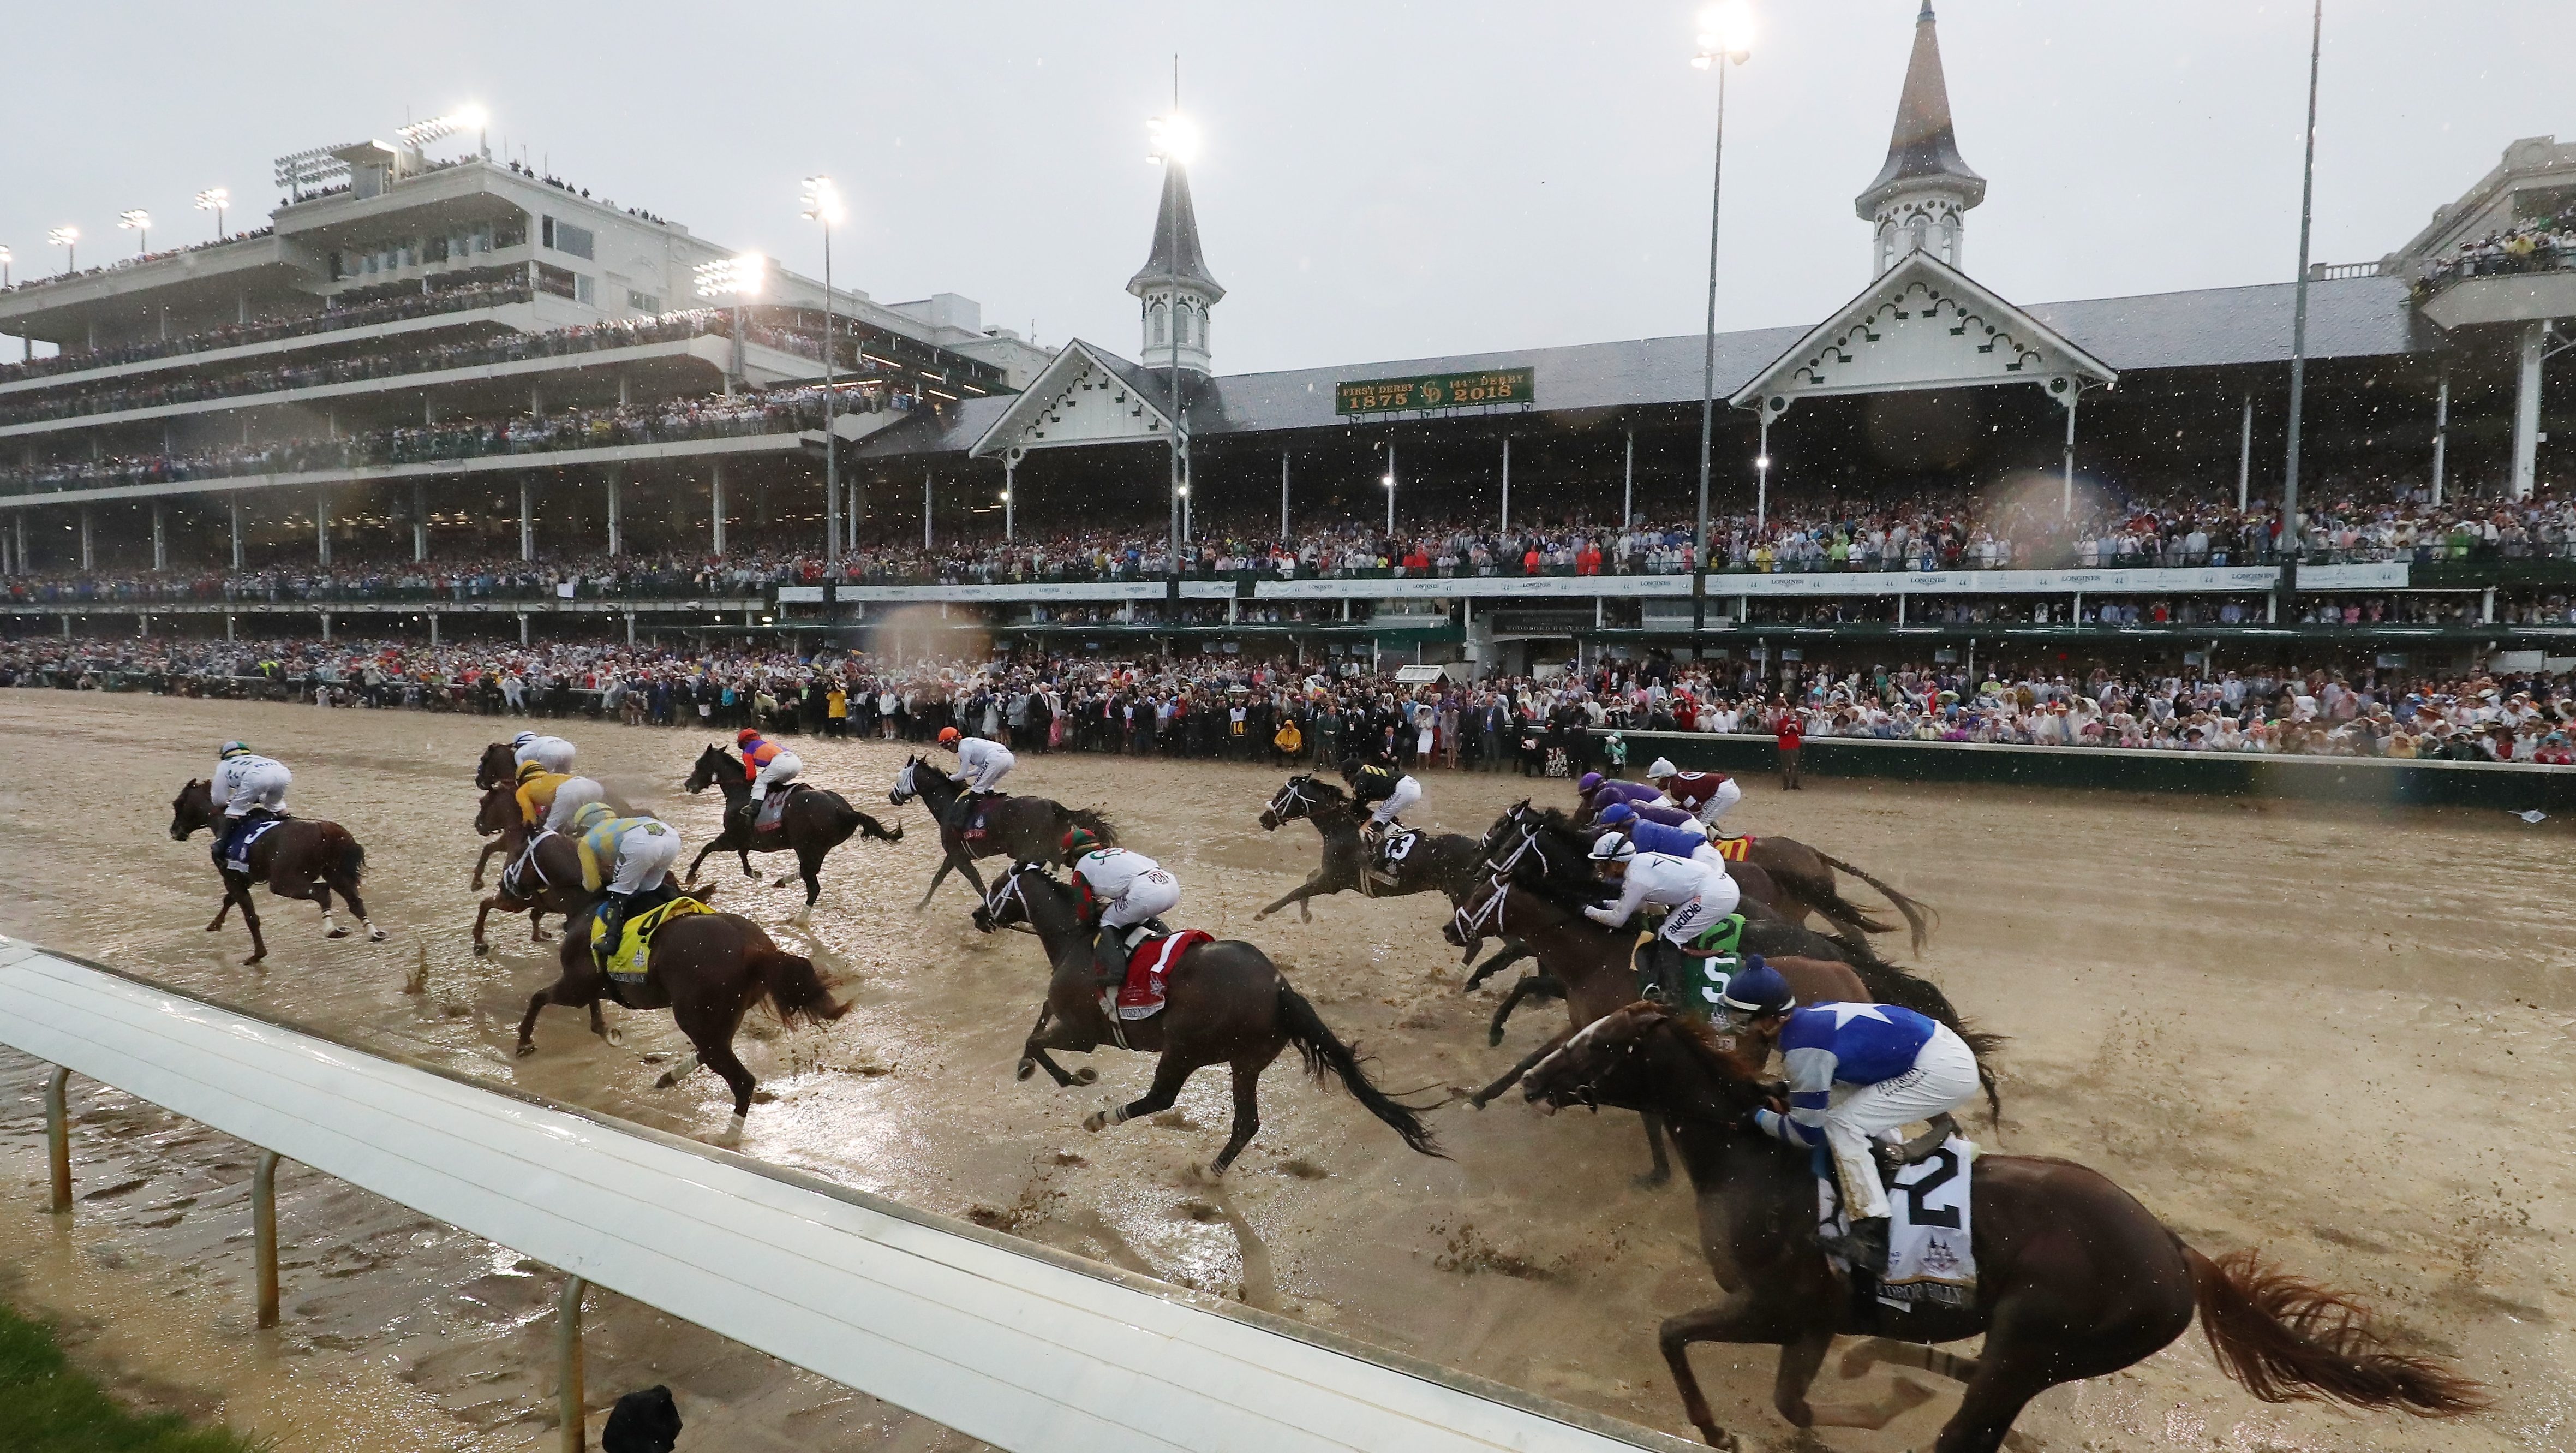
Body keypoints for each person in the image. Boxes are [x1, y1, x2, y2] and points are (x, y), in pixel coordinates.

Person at [1719, 960, 1981, 1275]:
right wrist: (1789, 1090)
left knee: (1841, 1125)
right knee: (1843, 1112)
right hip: (1939, 1050)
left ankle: (1872, 1236)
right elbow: (1830, 1078)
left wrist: (1759, 1119)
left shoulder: (1803, 1048)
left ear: (1771, 1022)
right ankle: (1884, 1161)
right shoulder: (1808, 1020)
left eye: (1742, 1020)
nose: (1739, 1028)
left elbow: (1806, 1133)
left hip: (1944, 1069)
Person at [1581, 831, 1741, 998]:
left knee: (1670, 936)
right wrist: (1604, 904)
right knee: (1666, 932)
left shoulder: (1636, 878)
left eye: (1603, 864)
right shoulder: (1641, 861)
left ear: (1616, 863)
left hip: (1715, 894)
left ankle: (1673, 995)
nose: (1601, 869)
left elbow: (1617, 919)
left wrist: (1587, 910)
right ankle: (1657, 985)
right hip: (1718, 887)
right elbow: (1637, 904)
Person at [1062, 827, 1182, 990]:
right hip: (1169, 884)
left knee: (1108, 920)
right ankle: (1173, 942)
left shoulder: (1080, 870)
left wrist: (1085, 919)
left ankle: (1116, 972)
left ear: (1073, 855)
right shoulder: (1116, 851)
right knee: (1139, 914)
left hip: (1145, 892)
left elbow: (1085, 913)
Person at [572, 801, 684, 973]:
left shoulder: (587, 841)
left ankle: (611, 941)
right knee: (650, 887)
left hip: (640, 845)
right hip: (670, 837)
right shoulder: (623, 823)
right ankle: (684, 906)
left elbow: (593, 885)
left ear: (584, 826)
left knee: (619, 892)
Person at [208, 741, 291, 869]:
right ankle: (289, 823)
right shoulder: (256, 758)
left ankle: (221, 845)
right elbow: (263, 796)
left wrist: (232, 803)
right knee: (275, 804)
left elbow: (219, 800)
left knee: (235, 810)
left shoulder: (224, 765)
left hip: (255, 777)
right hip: (282, 772)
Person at [936, 724, 1016, 829]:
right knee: (987, 786)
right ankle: (989, 808)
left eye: (947, 747)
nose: (948, 750)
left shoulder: (963, 749)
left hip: (995, 759)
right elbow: (980, 769)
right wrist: (967, 775)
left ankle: (959, 823)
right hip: (1009, 759)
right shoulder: (968, 743)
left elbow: (962, 775)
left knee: (976, 789)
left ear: (953, 742)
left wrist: (949, 779)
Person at [1597, 800, 1723, 862]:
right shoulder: (1640, 826)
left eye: (1610, 830)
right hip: (1701, 850)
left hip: (1701, 857)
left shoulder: (1640, 837)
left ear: (1621, 827)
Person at [1646, 756, 1743, 835]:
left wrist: (1677, 811)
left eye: (1657, 779)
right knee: (1702, 817)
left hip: (1724, 792)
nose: (1656, 784)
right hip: (1726, 789)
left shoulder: (1676, 788)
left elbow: (1696, 808)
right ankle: (1715, 833)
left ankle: (1707, 846)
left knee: (1699, 825)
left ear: (1666, 777)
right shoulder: (1679, 779)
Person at [733, 726, 802, 831]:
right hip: (796, 762)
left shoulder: (748, 750)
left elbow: (751, 775)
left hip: (781, 764)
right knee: (773, 780)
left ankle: (755, 807)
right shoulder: (767, 742)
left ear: (744, 743)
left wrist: (747, 780)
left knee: (761, 780)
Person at [1340, 755, 1420, 843]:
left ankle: (1380, 847)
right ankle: (1396, 826)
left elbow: (1357, 805)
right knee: (1382, 813)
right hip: (1410, 784)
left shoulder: (1361, 781)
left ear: (1350, 774)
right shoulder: (1367, 772)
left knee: (1376, 818)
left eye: (1345, 777)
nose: (1346, 781)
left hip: (1406, 789)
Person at [511, 729, 577, 776]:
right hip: (569, 748)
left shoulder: (519, 753)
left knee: (540, 776)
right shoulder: (539, 742)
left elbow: (522, 771)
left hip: (548, 750)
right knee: (563, 777)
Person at [1772, 702, 1804, 790]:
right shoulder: (1782, 721)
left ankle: (1795, 783)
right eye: (1790, 711)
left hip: (1794, 745)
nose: (1791, 713)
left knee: (1795, 765)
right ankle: (1786, 784)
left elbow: (1802, 733)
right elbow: (1778, 732)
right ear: (1787, 712)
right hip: (1785, 745)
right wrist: (1786, 729)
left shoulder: (1798, 722)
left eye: (1793, 711)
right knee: (1785, 766)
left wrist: (1797, 730)